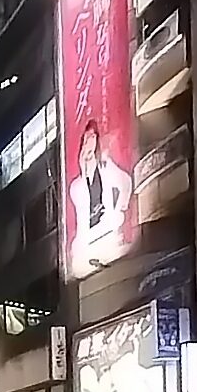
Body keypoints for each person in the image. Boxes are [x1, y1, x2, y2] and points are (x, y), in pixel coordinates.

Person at [67, 119, 133, 278]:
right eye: (86, 138)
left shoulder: (106, 168)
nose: (88, 142)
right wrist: (85, 168)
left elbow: (126, 181)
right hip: (88, 244)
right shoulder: (77, 186)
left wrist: (121, 207)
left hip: (108, 235)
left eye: (92, 137)